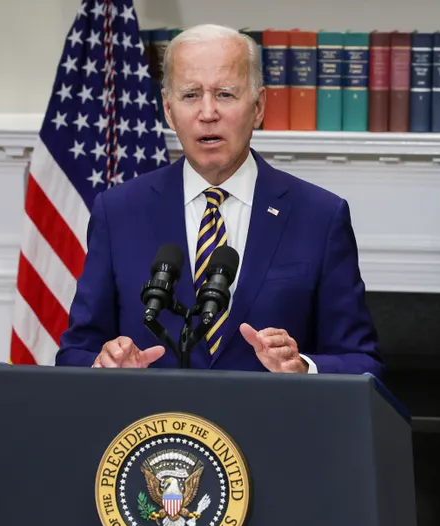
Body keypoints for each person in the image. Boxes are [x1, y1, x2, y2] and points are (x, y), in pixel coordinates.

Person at [55, 24, 381, 378]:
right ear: (168, 109)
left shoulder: (320, 217)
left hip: (270, 429)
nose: (207, 112)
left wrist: (303, 367)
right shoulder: (118, 212)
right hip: (155, 428)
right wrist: (105, 363)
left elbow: (363, 363)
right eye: (191, 95)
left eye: (225, 94)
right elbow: (76, 351)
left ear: (258, 106)